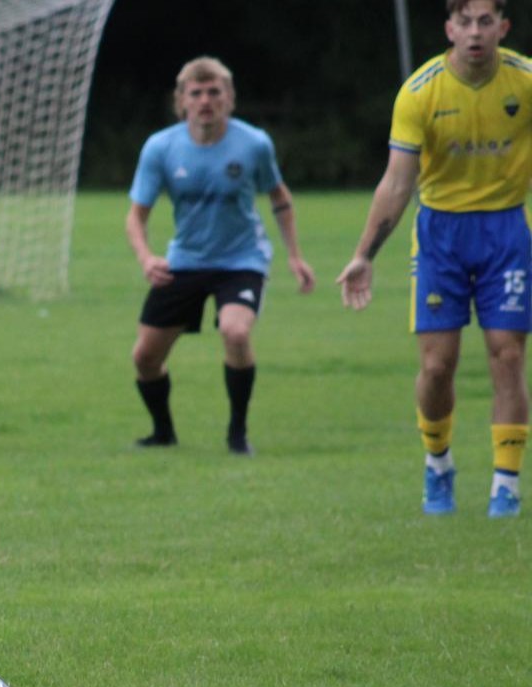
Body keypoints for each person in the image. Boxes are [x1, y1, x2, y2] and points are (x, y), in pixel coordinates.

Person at [339, 0, 532, 518]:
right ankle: (438, 463)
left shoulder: (526, 81)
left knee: (508, 355)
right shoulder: (420, 92)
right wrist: (364, 254)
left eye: (485, 22)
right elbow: (398, 182)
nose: (475, 33)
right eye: (464, 22)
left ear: (503, 28)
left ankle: (506, 486)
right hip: (441, 233)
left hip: (507, 229)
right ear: (449, 28)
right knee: (437, 365)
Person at [125, 56, 315, 456]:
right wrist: (146, 258)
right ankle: (163, 433)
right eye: (196, 93)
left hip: (241, 260)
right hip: (185, 261)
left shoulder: (254, 144)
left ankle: (237, 435)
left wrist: (294, 256)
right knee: (144, 358)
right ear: (182, 101)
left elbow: (279, 197)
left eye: (215, 92)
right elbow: (135, 218)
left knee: (236, 331)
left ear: (230, 98)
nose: (206, 100)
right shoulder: (161, 148)